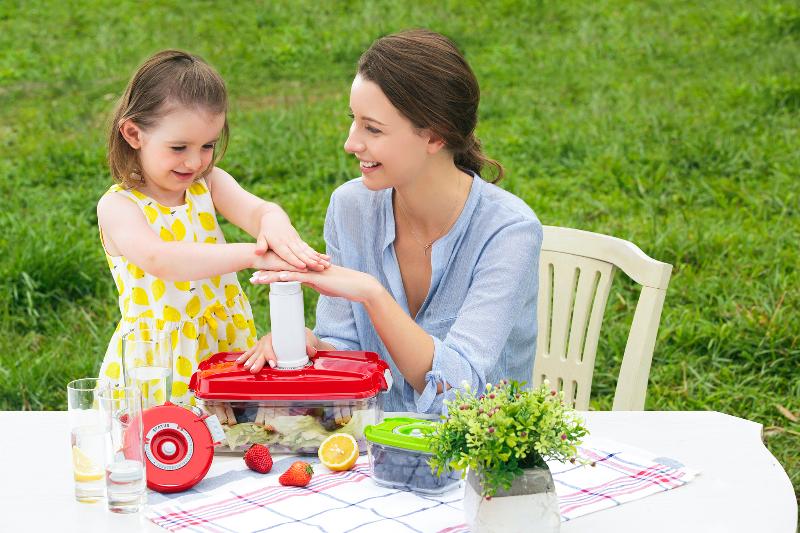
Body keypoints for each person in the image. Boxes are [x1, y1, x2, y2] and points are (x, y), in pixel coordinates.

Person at [244, 30, 542, 415]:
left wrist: (374, 294)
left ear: (433, 136)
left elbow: (458, 390)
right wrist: (312, 348)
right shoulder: (350, 207)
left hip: (481, 463)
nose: (351, 143)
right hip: (374, 448)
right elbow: (346, 345)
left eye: (373, 128)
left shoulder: (508, 232)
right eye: (354, 121)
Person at [97, 50, 329, 405]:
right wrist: (254, 255)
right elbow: (162, 260)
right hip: (158, 364)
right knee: (166, 444)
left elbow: (261, 211)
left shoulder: (208, 184)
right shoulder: (119, 207)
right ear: (133, 133)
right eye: (178, 147)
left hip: (221, 344)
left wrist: (275, 224)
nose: (195, 161)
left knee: (229, 436)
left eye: (207, 145)